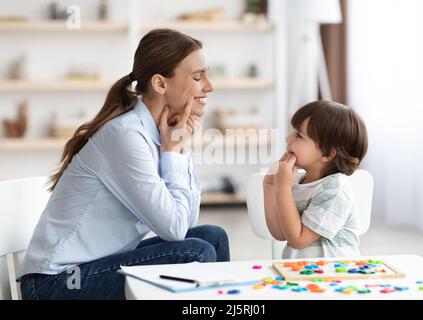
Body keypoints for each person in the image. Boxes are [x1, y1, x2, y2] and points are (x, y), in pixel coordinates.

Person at [18, 29, 230, 300]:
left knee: (213, 237)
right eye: (198, 77)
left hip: (93, 270)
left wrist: (179, 147)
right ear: (160, 84)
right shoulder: (126, 136)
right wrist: (174, 154)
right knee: (196, 253)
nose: (209, 86)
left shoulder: (158, 134)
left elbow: (186, 220)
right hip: (56, 283)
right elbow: (175, 230)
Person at [264, 100, 368, 259]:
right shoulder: (299, 181)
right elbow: (280, 233)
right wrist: (270, 185)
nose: (288, 138)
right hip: (301, 274)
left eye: (299, 135)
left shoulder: (334, 192)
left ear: (327, 154)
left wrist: (283, 188)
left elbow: (298, 239)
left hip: (334, 276)